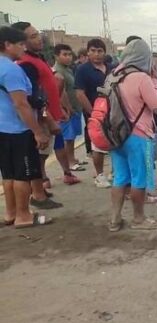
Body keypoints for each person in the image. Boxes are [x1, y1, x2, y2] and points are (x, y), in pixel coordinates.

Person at [108, 38, 157, 232]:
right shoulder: (142, 78)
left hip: (115, 135)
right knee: (139, 178)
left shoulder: (113, 75)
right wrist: (156, 83)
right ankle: (138, 219)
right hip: (137, 135)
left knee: (120, 177)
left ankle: (115, 220)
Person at [0, 26, 53, 228]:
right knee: (23, 174)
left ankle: (11, 213)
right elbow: (21, 104)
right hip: (17, 130)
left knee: (8, 174)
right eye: (21, 44)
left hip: (2, 130)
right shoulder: (12, 70)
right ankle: (24, 216)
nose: (24, 48)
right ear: (7, 45)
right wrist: (37, 131)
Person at [12, 22, 64, 209]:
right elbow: (32, 97)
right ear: (21, 42)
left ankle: (40, 187)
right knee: (37, 154)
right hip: (40, 118)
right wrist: (48, 118)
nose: (39, 38)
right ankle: (38, 193)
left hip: (47, 113)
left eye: (38, 34)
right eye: (32, 36)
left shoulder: (37, 59)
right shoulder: (26, 64)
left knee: (41, 154)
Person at [75, 38, 112, 188]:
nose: (96, 54)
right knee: (98, 146)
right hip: (95, 114)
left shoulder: (111, 68)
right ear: (88, 52)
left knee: (115, 142)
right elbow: (79, 93)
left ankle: (115, 172)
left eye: (100, 51)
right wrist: (93, 113)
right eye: (93, 51)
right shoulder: (83, 70)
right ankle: (99, 175)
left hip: (113, 113)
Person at [53, 44, 85, 184]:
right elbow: (61, 92)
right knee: (68, 136)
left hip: (75, 108)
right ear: (56, 56)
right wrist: (67, 108)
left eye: (69, 54)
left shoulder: (68, 70)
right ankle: (69, 163)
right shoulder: (58, 72)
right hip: (67, 111)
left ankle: (72, 158)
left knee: (72, 137)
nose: (68, 57)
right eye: (64, 54)